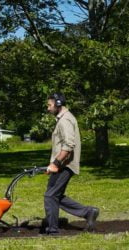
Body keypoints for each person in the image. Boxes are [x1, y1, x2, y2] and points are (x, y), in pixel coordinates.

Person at [43, 92, 99, 235]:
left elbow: (69, 145)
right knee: (55, 196)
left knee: (50, 196)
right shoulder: (63, 119)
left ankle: (52, 231)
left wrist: (55, 163)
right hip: (62, 164)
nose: (48, 108)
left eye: (49, 105)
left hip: (64, 165)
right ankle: (88, 212)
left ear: (58, 104)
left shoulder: (65, 120)